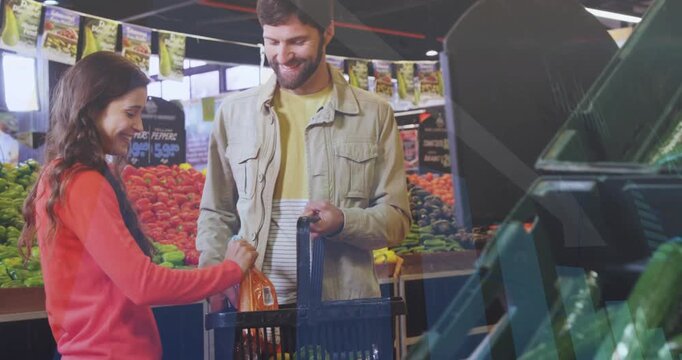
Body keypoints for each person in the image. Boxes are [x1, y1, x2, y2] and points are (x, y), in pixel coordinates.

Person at [18, 52, 258, 359]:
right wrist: (229, 272)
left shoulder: (59, 175)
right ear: (92, 109)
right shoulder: (82, 182)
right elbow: (143, 283)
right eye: (131, 113)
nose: (139, 125)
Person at [198, 0, 410, 310]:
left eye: (297, 41)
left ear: (328, 33)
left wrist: (343, 222)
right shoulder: (235, 113)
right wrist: (214, 274)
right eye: (272, 41)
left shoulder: (374, 114)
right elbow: (216, 212)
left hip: (343, 310)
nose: (282, 56)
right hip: (255, 308)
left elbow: (397, 220)